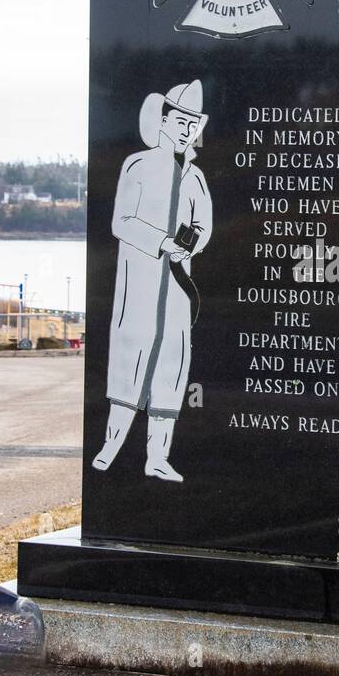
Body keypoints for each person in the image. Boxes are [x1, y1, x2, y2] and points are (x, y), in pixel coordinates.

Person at [93, 79, 212, 482]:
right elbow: (121, 221)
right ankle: (110, 448)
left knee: (171, 370)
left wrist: (188, 245)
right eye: (179, 120)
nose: (185, 129)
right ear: (163, 120)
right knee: (130, 364)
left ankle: (158, 458)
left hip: (177, 289)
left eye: (192, 123)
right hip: (140, 284)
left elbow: (203, 224)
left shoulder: (195, 177)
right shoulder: (137, 165)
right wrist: (161, 242)